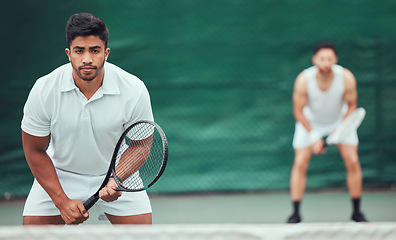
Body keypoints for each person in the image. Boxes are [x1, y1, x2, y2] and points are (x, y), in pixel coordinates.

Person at [21, 13, 154, 225]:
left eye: (95, 50)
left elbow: (141, 145)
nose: (87, 59)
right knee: (31, 233)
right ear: (68, 53)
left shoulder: (133, 89)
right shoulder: (44, 89)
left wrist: (116, 180)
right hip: (60, 174)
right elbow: (33, 149)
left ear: (106, 53)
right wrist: (61, 201)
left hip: (116, 173)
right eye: (79, 51)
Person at [287, 40, 367, 223]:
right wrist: (314, 136)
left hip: (339, 121)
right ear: (314, 60)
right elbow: (298, 112)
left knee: (353, 161)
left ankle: (357, 212)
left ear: (335, 60)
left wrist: (339, 131)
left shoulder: (346, 77)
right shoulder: (303, 80)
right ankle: (295, 214)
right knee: (300, 163)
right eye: (322, 59)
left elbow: (351, 106)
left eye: (329, 59)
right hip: (309, 122)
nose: (326, 63)